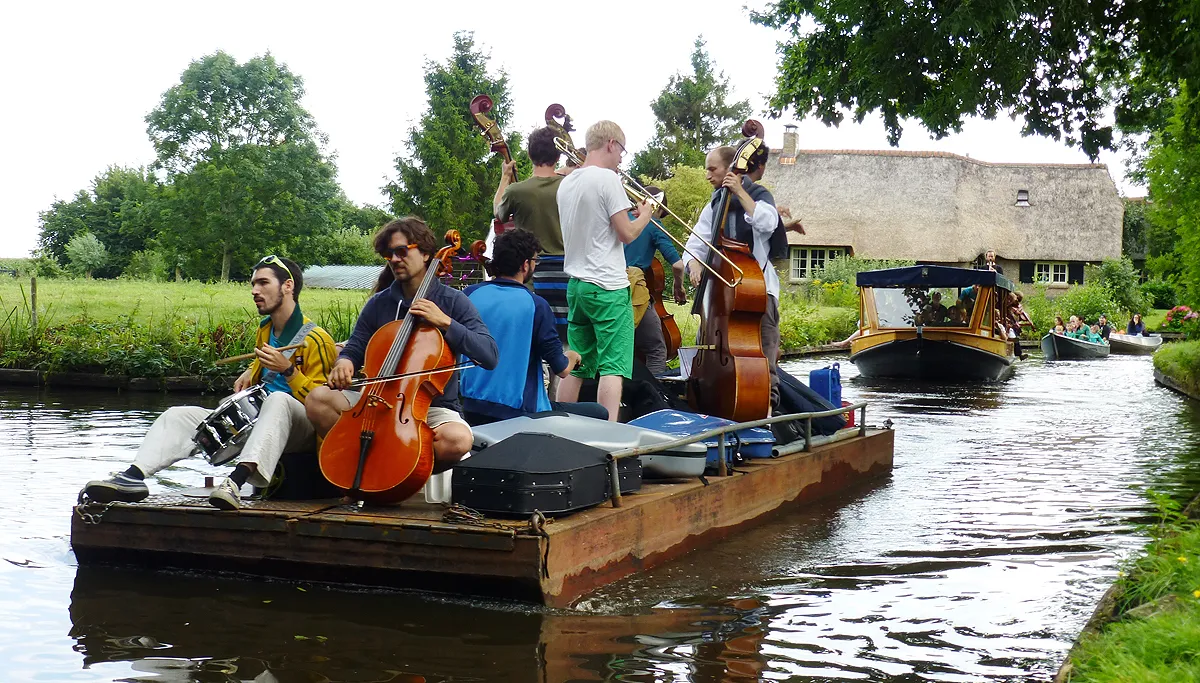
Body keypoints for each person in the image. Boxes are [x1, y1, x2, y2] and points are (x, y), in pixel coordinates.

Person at [82, 256, 339, 510]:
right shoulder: (266, 329)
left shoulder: (316, 340)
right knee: (178, 416)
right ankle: (133, 476)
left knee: (278, 400)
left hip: (301, 430)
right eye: (253, 284)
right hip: (262, 423)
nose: (254, 291)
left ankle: (236, 482)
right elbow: (266, 363)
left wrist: (289, 371)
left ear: (288, 286)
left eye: (263, 283)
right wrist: (252, 370)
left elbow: (320, 404)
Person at [305, 218, 499, 473]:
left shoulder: (453, 302)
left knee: (458, 440)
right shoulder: (379, 303)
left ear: (427, 253)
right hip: (375, 402)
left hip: (433, 408)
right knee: (318, 399)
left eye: (402, 251)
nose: (395, 259)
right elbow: (356, 344)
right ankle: (365, 468)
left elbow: (489, 354)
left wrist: (445, 322)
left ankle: (402, 472)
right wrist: (345, 362)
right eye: (389, 254)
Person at [554, 120, 653, 422]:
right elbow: (626, 234)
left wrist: (627, 214)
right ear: (611, 144)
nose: (622, 158)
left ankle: (561, 424)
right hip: (608, 286)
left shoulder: (567, 182)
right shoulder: (608, 179)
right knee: (613, 366)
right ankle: (608, 435)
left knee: (577, 360)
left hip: (577, 285)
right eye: (622, 150)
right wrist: (646, 216)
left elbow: (598, 224)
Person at [459, 228, 609, 424]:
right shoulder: (536, 305)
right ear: (525, 265)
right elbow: (562, 370)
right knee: (599, 412)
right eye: (535, 261)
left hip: (470, 409)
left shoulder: (469, 295)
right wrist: (572, 357)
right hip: (520, 413)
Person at [684, 144, 783, 413]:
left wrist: (739, 190)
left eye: (712, 169)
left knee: (763, 363)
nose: (707, 175)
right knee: (713, 356)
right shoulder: (715, 203)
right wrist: (694, 264)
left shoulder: (759, 194)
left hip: (756, 294)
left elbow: (768, 223)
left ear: (731, 169)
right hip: (719, 298)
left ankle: (765, 417)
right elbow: (695, 244)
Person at [622, 185, 687, 376]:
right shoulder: (654, 225)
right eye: (660, 213)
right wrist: (679, 286)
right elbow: (678, 265)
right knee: (657, 349)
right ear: (656, 207)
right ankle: (655, 399)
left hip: (607, 285)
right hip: (633, 290)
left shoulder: (620, 218)